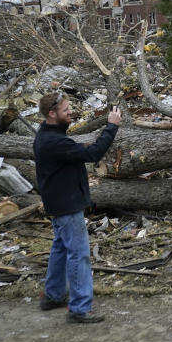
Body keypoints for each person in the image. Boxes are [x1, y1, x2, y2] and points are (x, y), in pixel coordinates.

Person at [34, 91, 122, 324]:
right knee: (79, 254)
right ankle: (80, 307)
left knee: (61, 248)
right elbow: (93, 154)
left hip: (58, 202)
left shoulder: (46, 133)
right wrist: (111, 127)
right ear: (52, 114)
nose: (70, 112)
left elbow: (72, 152)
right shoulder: (55, 142)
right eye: (66, 110)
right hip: (66, 204)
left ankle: (53, 296)